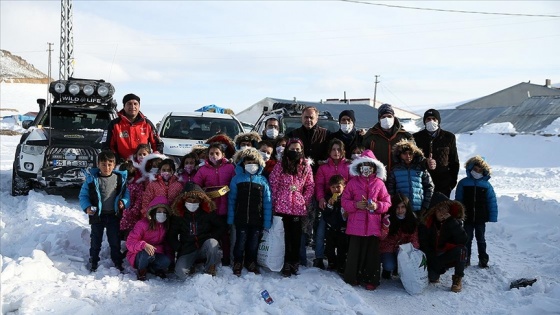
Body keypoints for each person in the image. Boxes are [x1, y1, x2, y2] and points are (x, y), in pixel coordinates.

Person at [341, 149, 391, 290]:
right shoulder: (352, 183)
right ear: (358, 167)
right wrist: (355, 205)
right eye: (364, 165)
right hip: (356, 226)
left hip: (373, 226)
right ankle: (353, 277)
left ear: (375, 167)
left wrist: (377, 206)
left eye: (369, 165)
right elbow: (344, 201)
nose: (366, 169)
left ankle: (371, 279)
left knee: (372, 255)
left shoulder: (380, 184)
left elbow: (387, 203)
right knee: (355, 253)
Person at [269, 138, 315, 277]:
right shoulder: (280, 165)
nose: (294, 152)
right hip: (282, 207)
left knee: (295, 237)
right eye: (292, 149)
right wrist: (275, 201)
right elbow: (273, 184)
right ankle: (284, 262)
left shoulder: (305, 166)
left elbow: (310, 185)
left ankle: (293, 262)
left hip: (298, 207)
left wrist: (304, 199)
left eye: (297, 149)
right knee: (283, 236)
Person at [79, 150, 130, 272]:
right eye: (103, 164)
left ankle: (117, 260)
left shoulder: (119, 178)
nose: (106, 167)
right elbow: (83, 195)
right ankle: (94, 259)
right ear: (98, 164)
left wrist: (124, 202)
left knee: (114, 239)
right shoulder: (92, 180)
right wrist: (87, 207)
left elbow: (126, 194)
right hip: (98, 215)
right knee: (96, 239)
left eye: (109, 164)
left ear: (114, 164)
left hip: (113, 215)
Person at [228, 148, 272, 276]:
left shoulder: (263, 180)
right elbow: (232, 200)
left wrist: (267, 221)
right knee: (240, 242)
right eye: (248, 162)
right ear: (242, 163)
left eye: (253, 161)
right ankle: (238, 261)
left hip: (256, 219)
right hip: (240, 218)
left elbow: (267, 202)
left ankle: (251, 261)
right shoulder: (237, 179)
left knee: (253, 243)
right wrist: (230, 219)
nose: (250, 164)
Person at [168, 183, 226, 278]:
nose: (192, 203)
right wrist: (178, 247)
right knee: (180, 273)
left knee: (212, 243)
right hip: (187, 249)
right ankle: (191, 265)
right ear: (184, 200)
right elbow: (171, 234)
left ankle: (210, 266)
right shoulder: (178, 215)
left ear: (200, 201)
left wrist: (212, 236)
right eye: (189, 200)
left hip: (204, 246)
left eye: (195, 201)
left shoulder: (207, 212)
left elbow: (221, 225)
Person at [193, 143, 236, 266]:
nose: (214, 156)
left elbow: (234, 184)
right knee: (210, 234)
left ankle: (226, 258)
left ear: (223, 154)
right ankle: (208, 256)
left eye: (217, 153)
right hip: (209, 208)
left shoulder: (230, 168)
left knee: (225, 235)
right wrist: (205, 194)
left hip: (226, 207)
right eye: (211, 153)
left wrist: (225, 191)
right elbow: (197, 186)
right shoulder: (202, 170)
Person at [313, 138, 351, 269]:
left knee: (343, 234)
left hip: (344, 201)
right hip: (328, 201)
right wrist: (321, 198)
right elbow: (319, 185)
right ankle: (319, 257)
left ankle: (343, 260)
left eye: (339, 149)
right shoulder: (323, 167)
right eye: (333, 149)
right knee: (321, 230)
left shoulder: (348, 166)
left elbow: (351, 184)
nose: (336, 152)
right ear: (329, 151)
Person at [454, 156, 498, 268]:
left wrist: (492, 216)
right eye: (475, 169)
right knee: (467, 238)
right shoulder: (463, 183)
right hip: (467, 217)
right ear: (470, 169)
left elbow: (491, 201)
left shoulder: (487, 185)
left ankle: (483, 258)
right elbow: (459, 200)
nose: (477, 172)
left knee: (481, 239)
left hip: (480, 218)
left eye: (480, 170)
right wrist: (458, 214)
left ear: (484, 171)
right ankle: (465, 258)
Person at [419, 195, 468, 293]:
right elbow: (424, 246)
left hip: (447, 254)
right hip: (433, 257)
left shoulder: (453, 221)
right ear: (434, 211)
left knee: (462, 250)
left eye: (445, 209)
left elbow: (463, 239)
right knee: (432, 278)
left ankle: (457, 278)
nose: (443, 213)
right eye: (439, 210)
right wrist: (434, 261)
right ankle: (437, 270)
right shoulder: (426, 224)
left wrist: (451, 222)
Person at [103, 93, 163, 163]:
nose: (132, 106)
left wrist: (154, 160)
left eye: (135, 104)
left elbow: (157, 144)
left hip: (143, 167)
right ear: (124, 106)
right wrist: (118, 160)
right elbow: (107, 146)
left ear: (139, 106)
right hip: (121, 166)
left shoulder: (147, 124)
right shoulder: (114, 124)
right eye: (129, 104)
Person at [413, 109, 460, 197]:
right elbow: (412, 159)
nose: (431, 121)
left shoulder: (449, 137)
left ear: (438, 121)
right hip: (422, 184)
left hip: (443, 185)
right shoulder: (416, 138)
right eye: (428, 119)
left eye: (434, 119)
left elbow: (454, 161)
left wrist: (451, 182)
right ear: (424, 121)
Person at [126, 196, 172, 281]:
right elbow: (130, 243)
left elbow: (166, 243)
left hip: (155, 253)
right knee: (145, 253)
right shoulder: (142, 224)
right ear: (153, 212)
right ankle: (142, 271)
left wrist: (169, 259)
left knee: (166, 261)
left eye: (164, 212)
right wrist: (144, 245)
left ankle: (153, 269)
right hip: (138, 255)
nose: (162, 214)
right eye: (159, 211)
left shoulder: (165, 226)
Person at [387, 139, 434, 217]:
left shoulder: (421, 169)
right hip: (401, 209)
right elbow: (390, 189)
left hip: (419, 208)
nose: (408, 156)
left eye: (410, 153)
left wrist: (425, 206)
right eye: (404, 153)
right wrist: (394, 205)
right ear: (399, 155)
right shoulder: (395, 170)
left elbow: (430, 187)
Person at [361, 104, 414, 172]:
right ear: (379, 119)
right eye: (383, 117)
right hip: (377, 177)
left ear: (393, 117)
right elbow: (363, 156)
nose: (386, 119)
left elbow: (415, 156)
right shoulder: (371, 136)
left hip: (399, 177)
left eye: (389, 116)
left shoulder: (404, 136)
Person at [379, 193, 419, 280]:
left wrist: (413, 250)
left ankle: (401, 271)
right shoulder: (388, 217)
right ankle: (388, 270)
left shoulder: (412, 219)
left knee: (408, 259)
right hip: (388, 248)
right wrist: (385, 227)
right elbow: (381, 237)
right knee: (389, 265)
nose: (400, 210)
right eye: (397, 207)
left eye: (403, 207)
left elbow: (414, 238)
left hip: (403, 249)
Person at [120, 144, 152, 239]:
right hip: (133, 201)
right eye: (140, 154)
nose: (142, 157)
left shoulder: (152, 166)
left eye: (144, 154)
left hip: (148, 199)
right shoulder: (133, 167)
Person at [286, 106, 330, 172]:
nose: (308, 120)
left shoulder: (326, 134)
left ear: (316, 119)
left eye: (311, 117)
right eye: (306, 117)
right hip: (299, 172)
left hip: (320, 172)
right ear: (302, 118)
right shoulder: (293, 134)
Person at [322, 175, 349, 274]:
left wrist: (346, 215)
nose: (336, 189)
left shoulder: (346, 199)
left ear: (344, 186)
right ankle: (331, 262)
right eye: (333, 187)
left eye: (338, 187)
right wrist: (329, 205)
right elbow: (325, 215)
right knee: (330, 248)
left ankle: (341, 265)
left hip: (343, 229)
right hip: (331, 228)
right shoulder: (328, 198)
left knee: (342, 249)